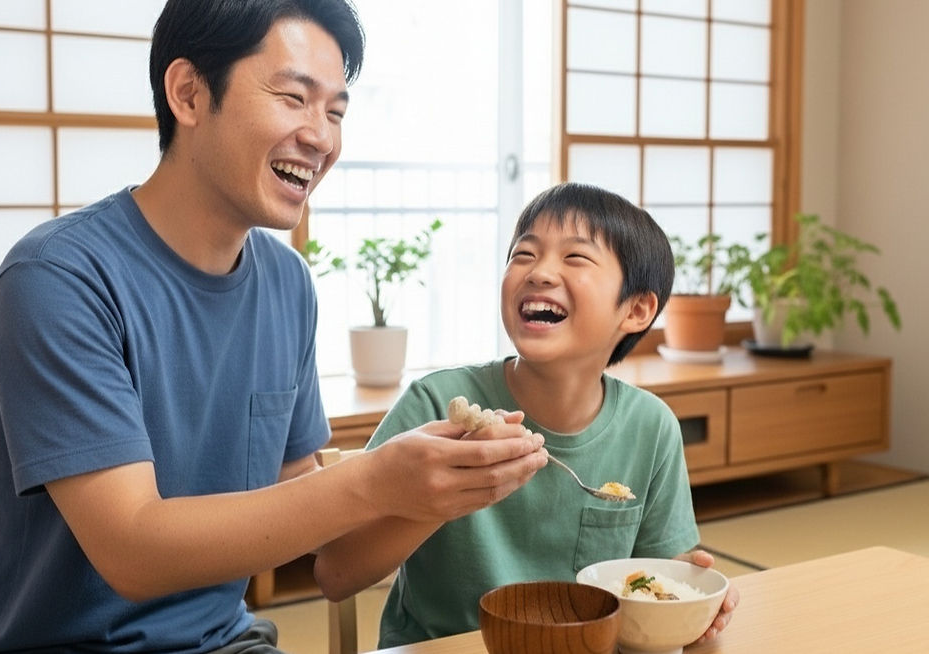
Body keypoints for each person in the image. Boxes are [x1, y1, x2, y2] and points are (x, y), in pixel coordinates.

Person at [0, 1, 547, 651]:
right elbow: (131, 550)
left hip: (229, 641)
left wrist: (441, 489)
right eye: (293, 98)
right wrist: (373, 478)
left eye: (335, 111)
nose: (322, 137)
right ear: (189, 94)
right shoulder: (57, 278)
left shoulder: (285, 284)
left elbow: (321, 543)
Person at [314, 182, 740, 647]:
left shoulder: (651, 426)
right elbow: (336, 573)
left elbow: (660, 576)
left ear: (636, 309)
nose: (539, 272)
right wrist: (443, 494)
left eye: (575, 258)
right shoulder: (437, 405)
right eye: (523, 255)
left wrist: (692, 602)